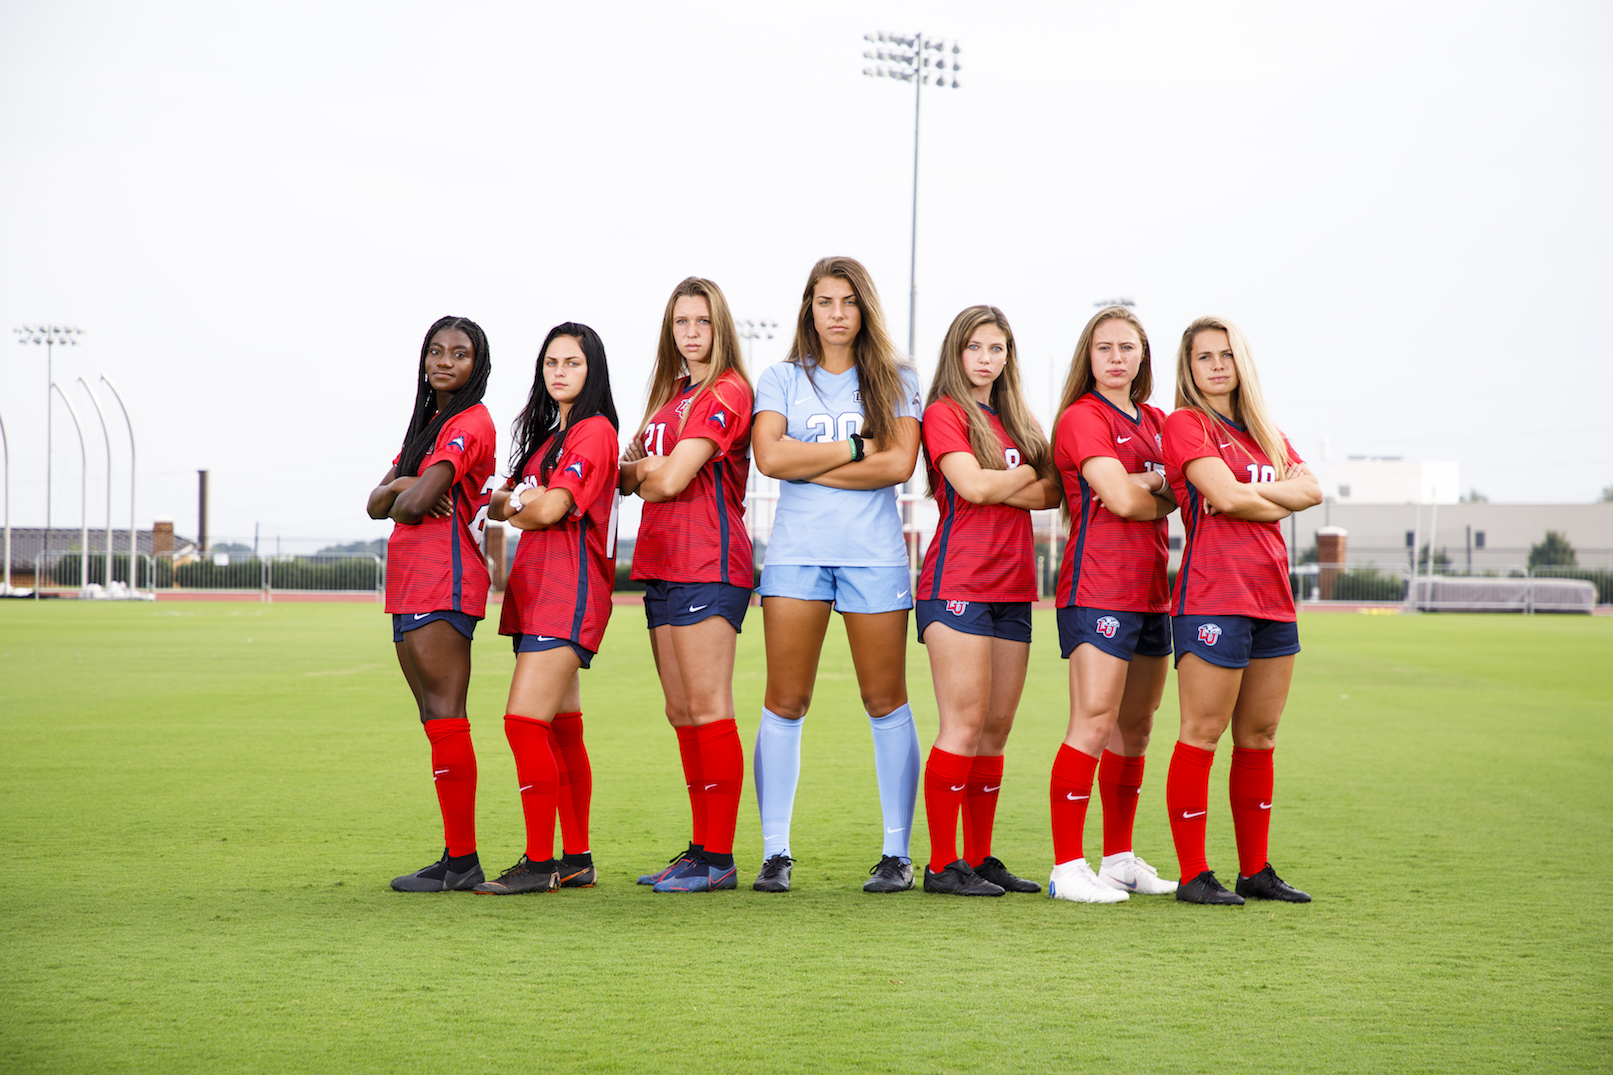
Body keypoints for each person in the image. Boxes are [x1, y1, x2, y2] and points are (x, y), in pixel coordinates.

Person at [749, 255, 924, 894]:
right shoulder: (781, 378)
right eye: (825, 302)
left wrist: (808, 463)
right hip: (796, 555)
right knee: (785, 702)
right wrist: (855, 447)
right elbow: (769, 456)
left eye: (848, 302)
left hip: (873, 555)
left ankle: (896, 853)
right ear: (809, 309)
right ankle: (775, 853)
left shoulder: (897, 379)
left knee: (885, 702)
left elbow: (900, 463)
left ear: (864, 309)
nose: (837, 314)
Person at [1160, 315, 1321, 906]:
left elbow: (1312, 490)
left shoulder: (1265, 432)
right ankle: (1194, 874)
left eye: (1226, 354)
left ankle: (1255, 869)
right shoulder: (1184, 424)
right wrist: (1270, 497)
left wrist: (1255, 497)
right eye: (1205, 357)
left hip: (1272, 598)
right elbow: (1222, 495)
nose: (1217, 365)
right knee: (1203, 733)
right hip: (1212, 597)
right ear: (1190, 367)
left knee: (1260, 735)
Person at [914, 306, 1061, 897]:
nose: (985, 358)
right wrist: (1021, 476)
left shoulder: (1018, 418)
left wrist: (1012, 476)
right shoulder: (943, 413)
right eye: (975, 346)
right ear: (957, 352)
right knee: (964, 723)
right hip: (958, 585)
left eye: (996, 348)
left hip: (1013, 588)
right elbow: (970, 487)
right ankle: (942, 864)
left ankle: (978, 857)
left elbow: (1054, 491)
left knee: (995, 731)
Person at [475, 322, 621, 895]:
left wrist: (524, 503)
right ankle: (576, 858)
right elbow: (503, 500)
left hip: (570, 589)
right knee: (561, 728)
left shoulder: (594, 431)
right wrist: (521, 502)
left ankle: (540, 865)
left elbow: (548, 508)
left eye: (573, 363)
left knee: (522, 722)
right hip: (535, 590)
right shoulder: (545, 439)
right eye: (551, 363)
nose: (559, 372)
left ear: (593, 372)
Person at [620, 277, 754, 893]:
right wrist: (651, 470)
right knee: (681, 712)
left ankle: (720, 858)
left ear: (719, 326)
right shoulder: (671, 395)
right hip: (659, 562)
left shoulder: (728, 389)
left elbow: (669, 480)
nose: (692, 333)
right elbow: (628, 473)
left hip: (709, 560)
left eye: (702, 321)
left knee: (709, 707)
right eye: (681, 323)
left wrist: (649, 471)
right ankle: (699, 848)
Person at [1046, 306, 1180, 904]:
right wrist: (1153, 485)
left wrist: (1145, 487)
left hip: (1152, 590)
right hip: (1097, 587)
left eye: (1128, 347)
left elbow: (1183, 489)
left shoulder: (1158, 420)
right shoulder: (1081, 418)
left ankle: (1120, 859)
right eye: (1105, 348)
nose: (1117, 357)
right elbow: (1127, 500)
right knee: (1094, 722)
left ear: (1143, 356)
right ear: (1089, 357)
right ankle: (1067, 867)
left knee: (1137, 728)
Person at [367, 316, 496, 893]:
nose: (445, 361)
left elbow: (417, 504)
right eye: (436, 352)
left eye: (460, 353)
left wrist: (407, 490)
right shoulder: (427, 424)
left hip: (444, 579)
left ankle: (463, 862)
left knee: (447, 714)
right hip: (411, 581)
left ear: (478, 364)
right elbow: (378, 502)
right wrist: (403, 487)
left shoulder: (470, 421)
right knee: (433, 717)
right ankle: (455, 856)